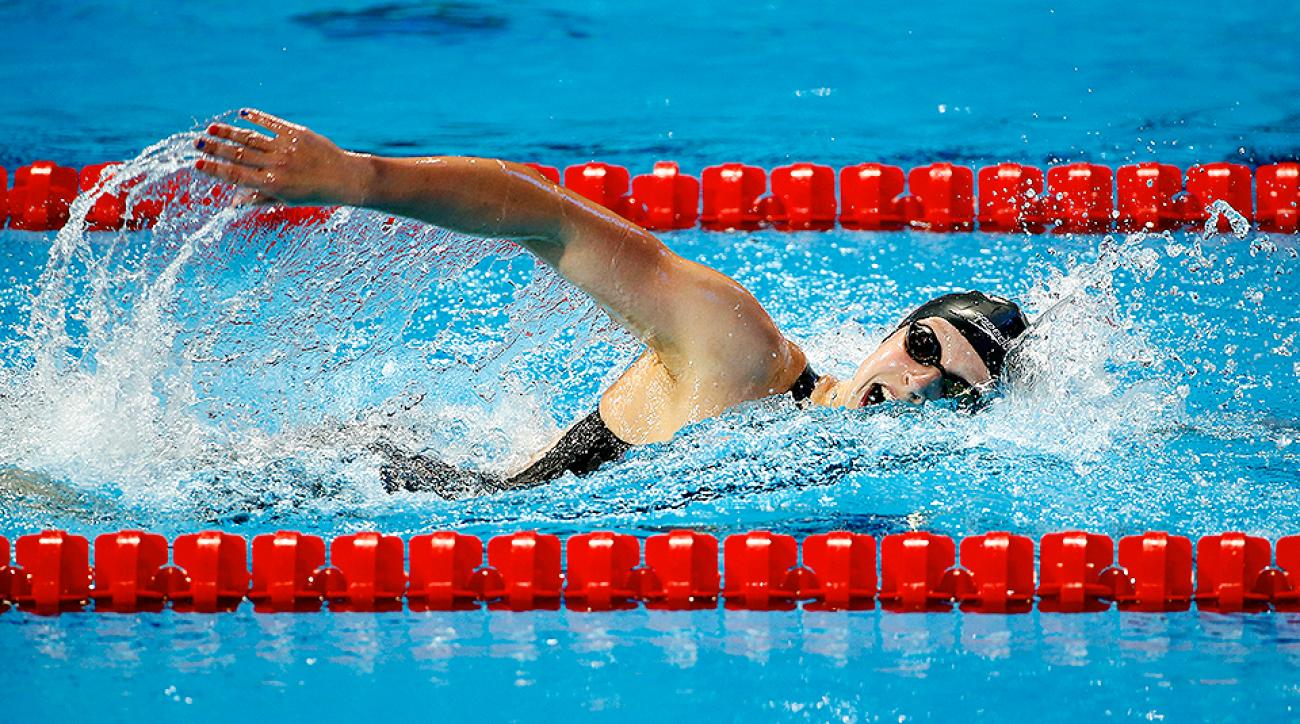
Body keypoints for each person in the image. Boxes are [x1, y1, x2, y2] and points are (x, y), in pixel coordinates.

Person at [196, 109, 1029, 498]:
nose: (919, 385)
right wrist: (361, 178)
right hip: (372, 497)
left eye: (954, 393)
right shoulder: (741, 355)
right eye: (925, 349)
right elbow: (547, 218)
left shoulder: (858, 483)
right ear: (892, 332)